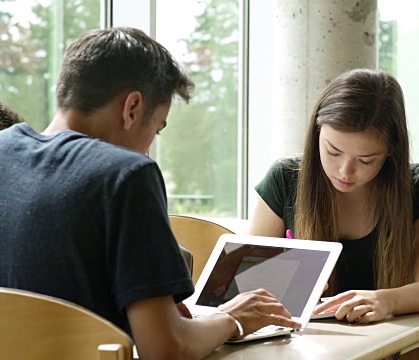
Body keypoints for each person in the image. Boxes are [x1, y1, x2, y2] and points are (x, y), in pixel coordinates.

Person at [0, 27, 299, 360]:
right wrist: (233, 319)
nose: (147, 151)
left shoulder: (4, 150)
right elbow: (165, 349)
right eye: (156, 128)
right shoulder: (125, 174)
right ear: (132, 107)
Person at [248, 68, 419, 324]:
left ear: (391, 151)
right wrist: (285, 283)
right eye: (333, 152)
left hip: (383, 340)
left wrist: (385, 300)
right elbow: (246, 285)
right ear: (316, 134)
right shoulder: (284, 179)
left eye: (366, 160)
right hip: (300, 340)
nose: (345, 171)